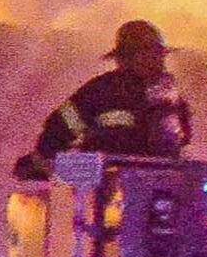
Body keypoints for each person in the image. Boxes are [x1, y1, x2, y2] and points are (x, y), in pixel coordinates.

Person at [19, 21, 190, 180]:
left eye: (158, 54)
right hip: (105, 181)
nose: (157, 61)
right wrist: (46, 160)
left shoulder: (171, 98)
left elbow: (181, 139)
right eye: (147, 54)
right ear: (126, 59)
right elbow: (59, 128)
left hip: (158, 181)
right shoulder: (100, 91)